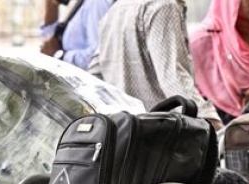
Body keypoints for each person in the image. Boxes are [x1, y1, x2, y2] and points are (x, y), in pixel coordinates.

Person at [89, 0, 222, 128]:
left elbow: (95, 74)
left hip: (124, 131)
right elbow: (172, 78)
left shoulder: (117, 8)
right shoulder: (164, 6)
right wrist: (208, 118)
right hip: (162, 133)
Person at [39, 0, 114, 71]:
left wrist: (61, 55)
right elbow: (48, 42)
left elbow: (97, 57)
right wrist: (51, 4)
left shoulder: (96, 3)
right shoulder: (80, 3)